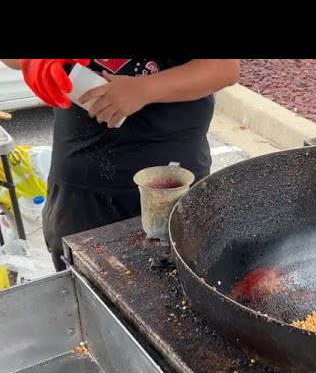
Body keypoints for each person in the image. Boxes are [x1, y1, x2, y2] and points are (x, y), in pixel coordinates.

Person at [0, 58, 240, 271]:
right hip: (80, 183)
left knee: (175, 296)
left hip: (172, 182)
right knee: (82, 300)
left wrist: (144, 90)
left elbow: (222, 68)